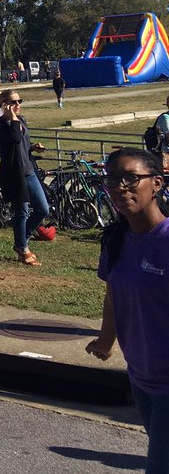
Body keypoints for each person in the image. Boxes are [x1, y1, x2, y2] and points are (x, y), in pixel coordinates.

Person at [85, 148, 169, 473]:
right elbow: (113, 296)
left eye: (131, 178)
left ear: (157, 183)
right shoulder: (116, 240)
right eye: (113, 180)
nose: (120, 187)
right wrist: (106, 341)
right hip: (140, 375)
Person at [0, 89, 47, 266]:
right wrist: (13, 119)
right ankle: (23, 249)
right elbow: (15, 139)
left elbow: (22, 143)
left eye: (19, 101)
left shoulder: (21, 119)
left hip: (29, 169)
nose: (18, 105)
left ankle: (22, 240)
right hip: (14, 173)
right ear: (4, 105)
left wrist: (33, 147)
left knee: (43, 209)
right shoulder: (0, 124)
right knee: (22, 211)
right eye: (13, 102)